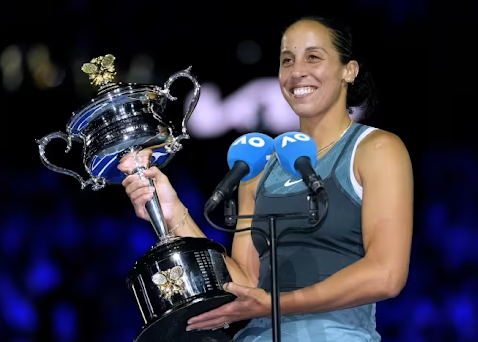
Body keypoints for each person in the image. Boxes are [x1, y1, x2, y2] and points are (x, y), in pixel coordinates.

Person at [119, 16, 413, 342]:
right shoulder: (258, 168)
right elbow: (245, 287)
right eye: (287, 60)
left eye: (313, 57)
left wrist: (273, 304)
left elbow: (386, 275)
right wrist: (176, 215)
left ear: (349, 70)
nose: (296, 71)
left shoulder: (377, 149)